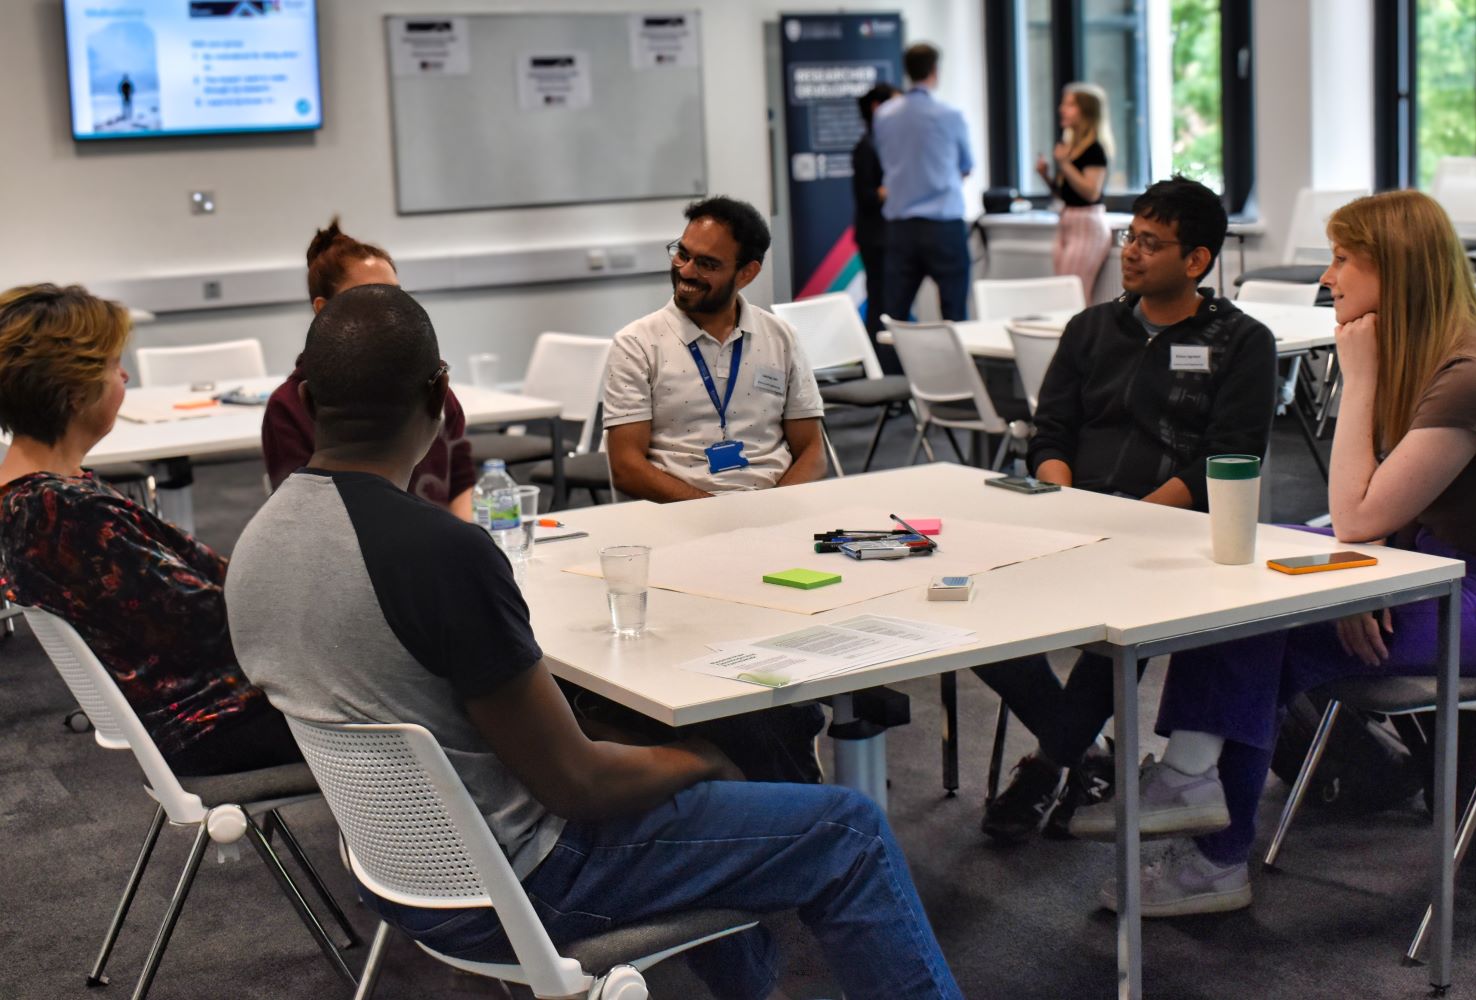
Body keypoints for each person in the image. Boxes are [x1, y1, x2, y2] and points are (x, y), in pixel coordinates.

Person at [224, 284, 964, 1000]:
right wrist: (706, 758)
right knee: (848, 829)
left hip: (403, 876)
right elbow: (576, 785)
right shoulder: (442, 552)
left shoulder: (253, 551)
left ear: (308, 402)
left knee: (655, 748)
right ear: (441, 397)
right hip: (531, 880)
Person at [1067, 189, 1476, 918]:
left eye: (1342, 261)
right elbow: (1377, 520)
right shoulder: (1427, 357)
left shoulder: (1467, 376)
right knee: (1240, 561)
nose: (1327, 278)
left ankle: (1203, 818)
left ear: (1394, 271)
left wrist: (1355, 378)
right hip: (1423, 562)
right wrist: (1366, 580)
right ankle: (1200, 806)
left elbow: (1359, 516)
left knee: (1269, 623)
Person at [973, 176, 1279, 845]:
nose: (1130, 253)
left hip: (1173, 530)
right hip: (1072, 516)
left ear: (1195, 260)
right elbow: (1049, 433)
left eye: (1150, 242)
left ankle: (1049, 765)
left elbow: (1226, 461)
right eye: (1128, 237)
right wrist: (1061, 498)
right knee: (968, 610)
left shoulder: (1241, 342)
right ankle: (1081, 755)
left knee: (1119, 627)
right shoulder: (1090, 330)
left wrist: (1133, 517)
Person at [0, 284, 300, 776]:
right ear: (75, 390)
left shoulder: (42, 495)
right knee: (421, 686)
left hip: (192, 707)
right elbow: (215, 624)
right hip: (214, 720)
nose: (124, 375)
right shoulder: (62, 512)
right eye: (112, 364)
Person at [604, 195, 827, 503]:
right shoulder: (637, 344)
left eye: (707, 264)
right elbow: (626, 468)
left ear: (747, 273)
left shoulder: (781, 337)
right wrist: (718, 514)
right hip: (680, 513)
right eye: (682, 254)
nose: (686, 271)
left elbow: (814, 452)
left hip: (772, 506)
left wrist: (775, 510)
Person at [261, 217, 476, 519]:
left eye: (395, 295)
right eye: (368, 296)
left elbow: (461, 484)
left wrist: (465, 547)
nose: (388, 309)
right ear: (323, 309)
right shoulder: (287, 407)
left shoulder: (430, 383)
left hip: (436, 549)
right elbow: (302, 518)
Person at [873, 42, 975, 324]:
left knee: (894, 315)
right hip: (943, 227)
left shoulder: (884, 115)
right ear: (934, 70)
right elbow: (966, 167)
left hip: (901, 228)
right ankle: (955, 370)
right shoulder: (950, 116)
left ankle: (890, 369)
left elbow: (887, 161)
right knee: (954, 313)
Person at [1036, 82, 1113, 301]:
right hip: (1068, 221)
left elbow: (1091, 193)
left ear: (1086, 111)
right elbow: (1068, 195)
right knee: (1063, 292)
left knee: (1074, 295)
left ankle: (1080, 335)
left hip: (1087, 224)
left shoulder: (1095, 150)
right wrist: (1046, 176)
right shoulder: (1070, 147)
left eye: (1070, 104)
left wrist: (1065, 165)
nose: (1062, 109)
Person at [853, 82, 899, 364]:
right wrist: (893, 188)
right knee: (880, 302)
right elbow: (865, 195)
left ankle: (888, 363)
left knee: (889, 302)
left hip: (888, 235)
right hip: (876, 237)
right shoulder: (867, 147)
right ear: (877, 107)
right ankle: (878, 365)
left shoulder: (887, 144)